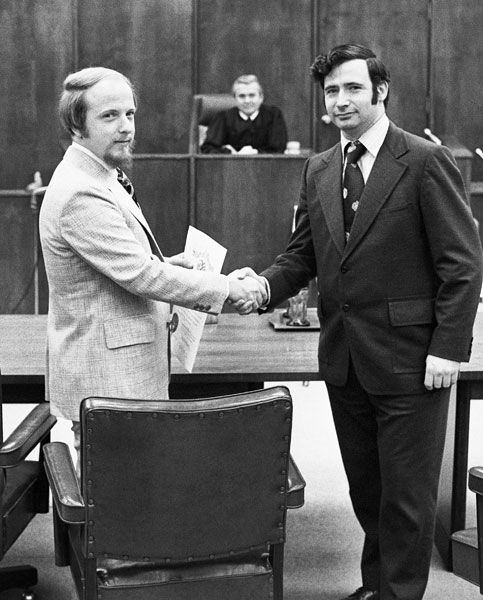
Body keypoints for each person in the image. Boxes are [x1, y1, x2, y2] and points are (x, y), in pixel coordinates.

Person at [233, 44, 483, 600]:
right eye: (331, 92)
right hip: (345, 358)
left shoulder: (422, 161)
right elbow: (304, 255)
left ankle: (397, 594)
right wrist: (262, 288)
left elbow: (463, 264)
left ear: (380, 92)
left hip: (413, 360)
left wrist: (449, 347)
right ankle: (377, 587)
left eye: (351, 89)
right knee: (367, 492)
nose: (340, 101)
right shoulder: (319, 168)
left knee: (406, 498)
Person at [39, 67, 266, 457]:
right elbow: (140, 275)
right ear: (77, 124)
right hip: (109, 380)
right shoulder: (81, 191)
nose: (125, 126)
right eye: (109, 116)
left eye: (129, 114)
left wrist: (171, 264)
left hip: (121, 374)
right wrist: (227, 288)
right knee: (121, 502)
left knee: (135, 495)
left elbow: (124, 262)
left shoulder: (101, 173)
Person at [200, 74, 288, 154]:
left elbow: (278, 149)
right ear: (234, 99)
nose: (247, 101)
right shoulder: (223, 117)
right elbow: (208, 149)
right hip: (229, 168)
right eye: (242, 96)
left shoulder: (273, 115)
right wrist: (230, 153)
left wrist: (255, 153)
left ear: (261, 97)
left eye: (252, 95)